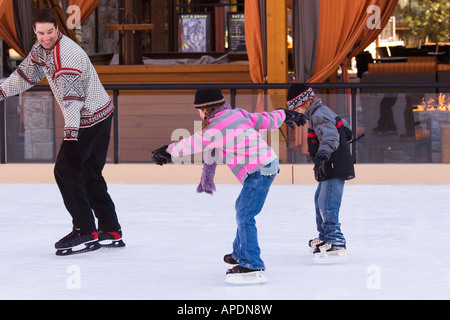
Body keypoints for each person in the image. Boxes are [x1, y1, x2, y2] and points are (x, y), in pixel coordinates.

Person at [0, 9, 124, 255]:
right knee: (89, 172)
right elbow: (26, 75)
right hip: (101, 112)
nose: (45, 37)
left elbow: (72, 101)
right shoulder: (41, 49)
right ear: (35, 32)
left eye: (49, 32)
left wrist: (70, 137)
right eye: (40, 33)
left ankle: (85, 230)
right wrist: (2, 92)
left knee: (66, 171)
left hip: (89, 118)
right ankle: (110, 230)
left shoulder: (66, 54)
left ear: (57, 29)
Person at [152, 87, 306, 283]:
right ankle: (241, 253)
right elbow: (264, 119)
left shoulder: (215, 128)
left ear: (205, 109)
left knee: (245, 214)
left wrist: (167, 150)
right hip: (264, 165)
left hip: (259, 169)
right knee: (242, 209)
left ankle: (252, 264)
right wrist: (284, 114)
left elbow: (192, 143)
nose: (198, 114)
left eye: (198, 110)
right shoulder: (237, 114)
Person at [286, 83, 354, 263]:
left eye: (297, 107)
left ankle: (336, 240)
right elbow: (343, 126)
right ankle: (325, 236)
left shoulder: (318, 114)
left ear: (306, 102)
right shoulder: (320, 111)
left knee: (328, 203)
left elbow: (331, 136)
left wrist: (323, 155)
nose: (297, 111)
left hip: (334, 165)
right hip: (328, 166)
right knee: (319, 200)